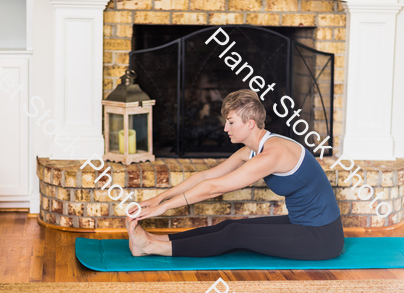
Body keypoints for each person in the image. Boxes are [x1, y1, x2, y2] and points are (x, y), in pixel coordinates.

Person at [126, 89, 344, 260]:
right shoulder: (255, 148)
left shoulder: (272, 154)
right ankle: (152, 239)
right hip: (301, 224)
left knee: (236, 234)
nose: (225, 128)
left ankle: (152, 248)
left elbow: (213, 188)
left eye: (231, 122)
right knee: (228, 225)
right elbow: (206, 177)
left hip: (322, 237)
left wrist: (164, 208)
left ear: (250, 123)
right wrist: (160, 197)